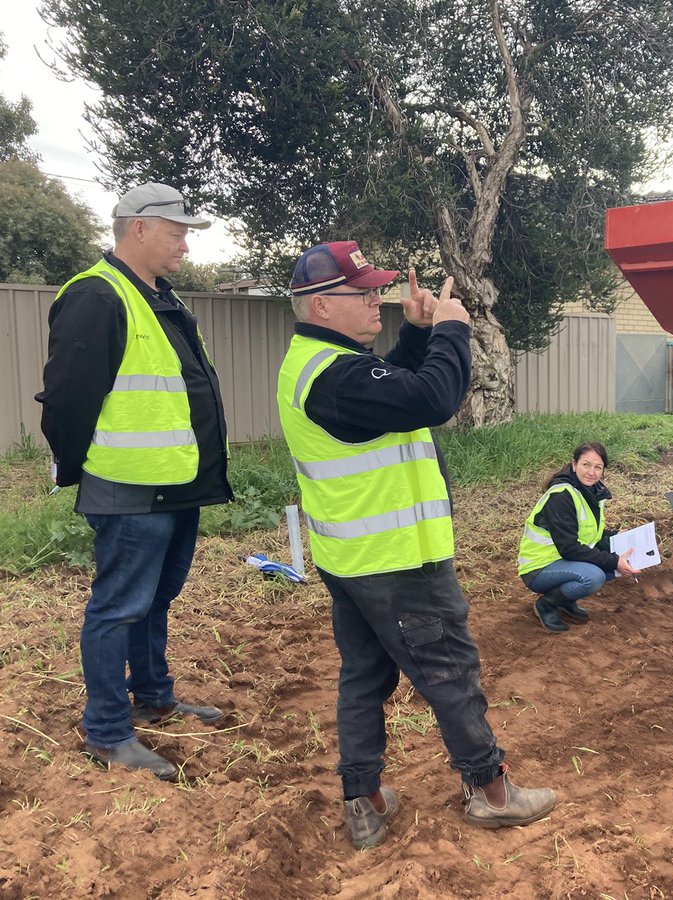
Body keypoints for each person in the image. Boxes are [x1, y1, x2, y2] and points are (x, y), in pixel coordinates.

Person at [275, 241, 556, 850]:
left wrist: (418, 332)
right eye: (365, 292)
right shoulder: (335, 375)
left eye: (378, 288)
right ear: (321, 305)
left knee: (364, 678)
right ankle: (491, 792)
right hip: (399, 563)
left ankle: (365, 801)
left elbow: (390, 390)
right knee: (451, 675)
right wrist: (453, 331)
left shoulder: (321, 364)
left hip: (352, 562)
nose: (378, 298)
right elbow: (428, 398)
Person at [37, 183, 232, 781]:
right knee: (118, 609)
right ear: (138, 229)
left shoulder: (162, 298)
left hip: (177, 486)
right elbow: (67, 400)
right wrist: (76, 468)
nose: (184, 244)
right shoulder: (98, 297)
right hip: (129, 491)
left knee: (153, 601)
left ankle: (153, 696)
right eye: (176, 232)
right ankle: (107, 731)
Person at [517, 443, 639, 633]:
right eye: (586, 465)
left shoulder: (591, 493)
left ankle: (565, 600)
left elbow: (590, 536)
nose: (592, 472)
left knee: (614, 561)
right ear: (574, 465)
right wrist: (614, 561)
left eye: (598, 467)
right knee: (594, 576)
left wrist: (616, 538)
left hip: (561, 561)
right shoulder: (561, 495)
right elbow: (570, 547)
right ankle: (547, 604)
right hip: (538, 567)